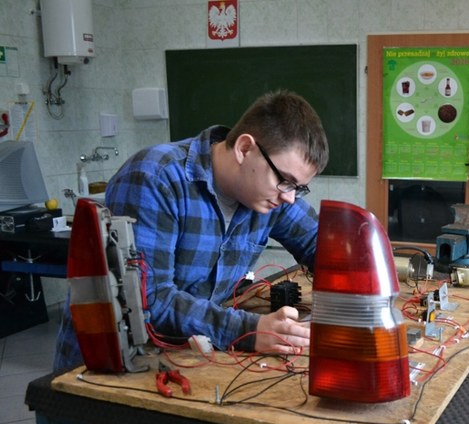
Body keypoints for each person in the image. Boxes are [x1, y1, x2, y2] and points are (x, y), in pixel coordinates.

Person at [54, 90, 329, 371]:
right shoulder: (155, 178)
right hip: (104, 370)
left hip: (187, 354)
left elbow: (322, 248)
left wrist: (358, 295)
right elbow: (150, 300)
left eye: (299, 187)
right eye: (286, 181)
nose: (290, 197)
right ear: (245, 149)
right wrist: (250, 329)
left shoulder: (271, 197)